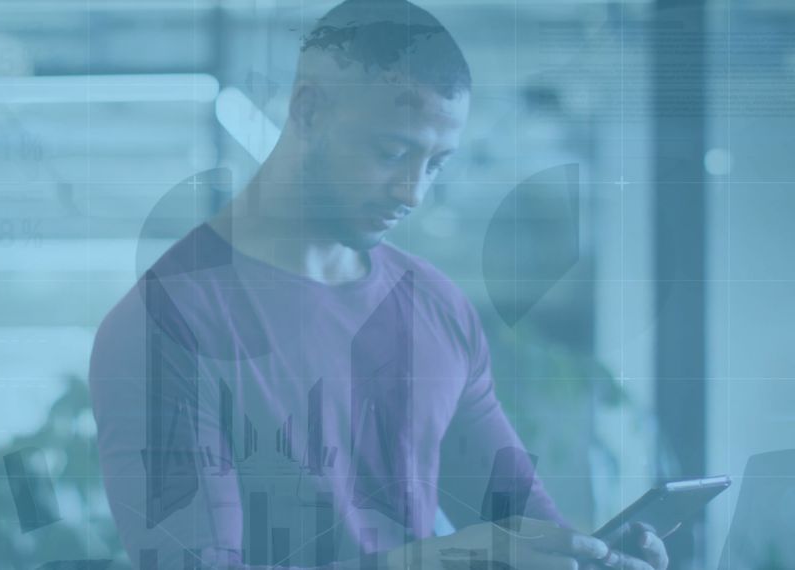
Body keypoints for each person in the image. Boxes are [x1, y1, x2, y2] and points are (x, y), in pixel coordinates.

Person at [89, 1, 668, 568]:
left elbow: (520, 527)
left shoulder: (437, 308)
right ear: (309, 110)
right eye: (392, 152)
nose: (413, 191)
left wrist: (590, 556)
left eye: (435, 163)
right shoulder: (166, 324)